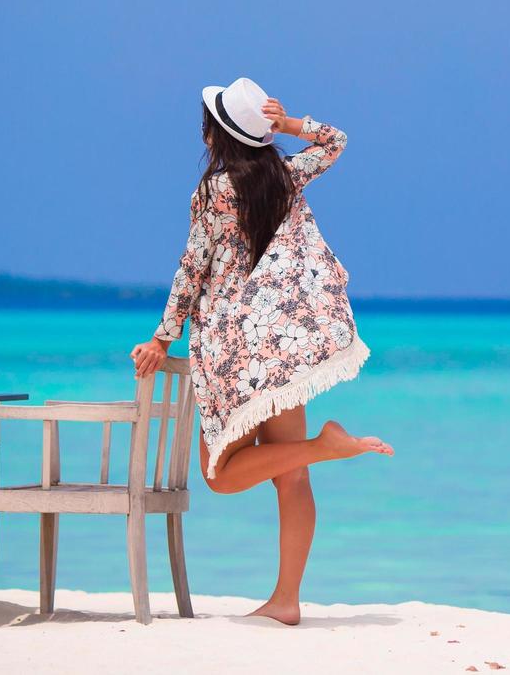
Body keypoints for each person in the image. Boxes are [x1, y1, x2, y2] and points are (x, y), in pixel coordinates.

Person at [129, 76, 391, 624]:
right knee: (290, 475)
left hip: (236, 351)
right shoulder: (286, 176)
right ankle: (287, 600)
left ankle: (326, 446)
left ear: (215, 132)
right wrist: (290, 123)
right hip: (286, 346)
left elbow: (193, 266)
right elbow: (336, 141)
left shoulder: (213, 191)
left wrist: (163, 335)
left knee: (221, 475)